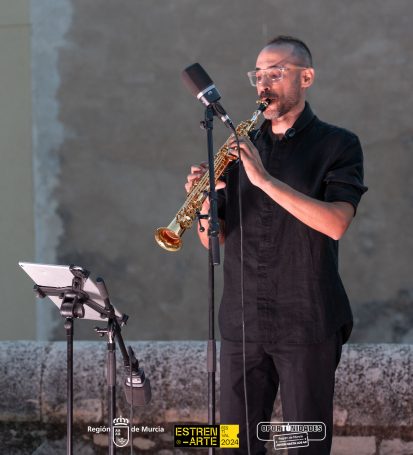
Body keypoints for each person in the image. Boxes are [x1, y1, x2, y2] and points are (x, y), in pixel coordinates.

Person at [185, 35, 367, 454]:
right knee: (234, 444)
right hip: (241, 321)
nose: (264, 84)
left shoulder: (338, 144)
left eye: (276, 73)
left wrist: (265, 181)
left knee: (306, 446)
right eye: (259, 75)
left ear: (306, 78)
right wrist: (204, 204)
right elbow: (215, 240)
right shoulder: (239, 147)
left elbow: (336, 224)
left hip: (307, 320)